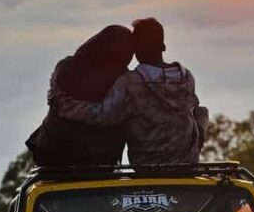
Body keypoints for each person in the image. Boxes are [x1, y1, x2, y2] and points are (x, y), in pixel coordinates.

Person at [50, 17, 208, 165]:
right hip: (187, 162)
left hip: (147, 163)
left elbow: (102, 115)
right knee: (201, 112)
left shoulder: (130, 82)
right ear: (163, 46)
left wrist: (64, 105)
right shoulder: (186, 77)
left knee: (121, 115)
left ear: (135, 49)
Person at [26, 25, 133, 166]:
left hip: (51, 152)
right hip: (100, 158)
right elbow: (107, 116)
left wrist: (68, 109)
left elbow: (56, 101)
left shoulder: (66, 67)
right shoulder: (122, 79)